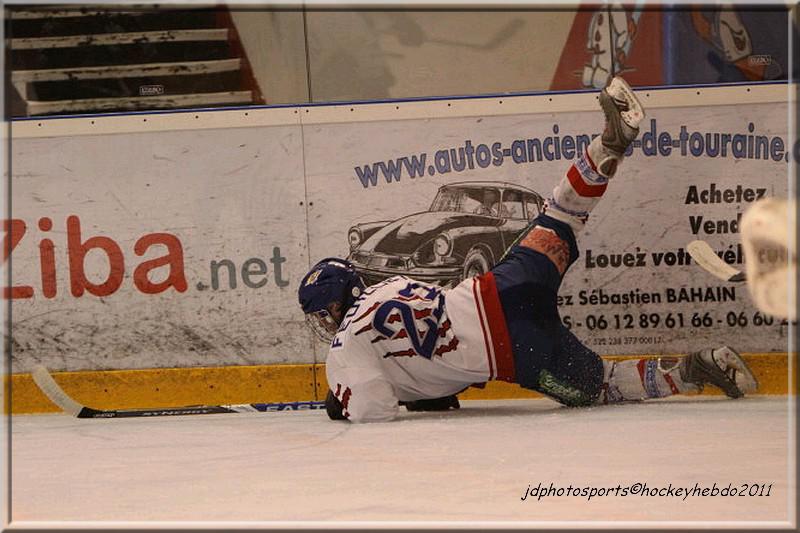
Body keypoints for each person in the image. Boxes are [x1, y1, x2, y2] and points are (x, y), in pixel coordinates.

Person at [298, 77, 758, 423]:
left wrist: (342, 400)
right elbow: (426, 361)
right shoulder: (391, 286)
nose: (327, 320)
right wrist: (425, 389)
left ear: (338, 305)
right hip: (503, 288)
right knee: (560, 215)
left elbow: (375, 409)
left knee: (601, 385)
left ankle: (697, 368)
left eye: (326, 311)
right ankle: (608, 144)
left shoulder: (345, 344)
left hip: (516, 349)